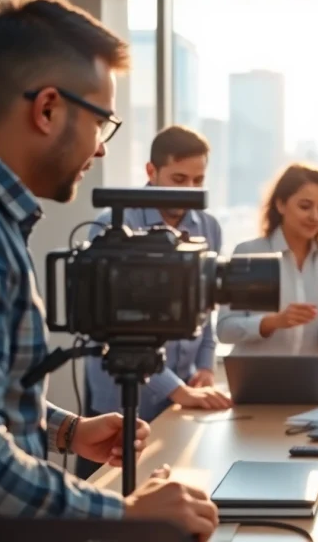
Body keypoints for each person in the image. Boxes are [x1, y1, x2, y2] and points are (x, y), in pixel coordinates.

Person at [0, 0, 217, 538]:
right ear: (47, 109)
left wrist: (65, 431)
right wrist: (127, 514)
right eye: (102, 123)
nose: (100, 148)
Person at [78, 125, 232, 479]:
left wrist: (205, 366)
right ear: (151, 171)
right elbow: (112, 329)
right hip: (120, 403)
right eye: (179, 179)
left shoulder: (209, 226)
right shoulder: (113, 226)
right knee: (105, 504)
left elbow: (205, 308)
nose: (189, 191)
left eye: (198, 180)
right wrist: (177, 389)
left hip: (182, 400)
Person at [216, 163, 318, 371]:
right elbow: (225, 329)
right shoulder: (248, 253)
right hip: (253, 380)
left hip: (311, 380)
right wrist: (272, 322)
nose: (315, 216)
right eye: (305, 206)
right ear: (280, 204)